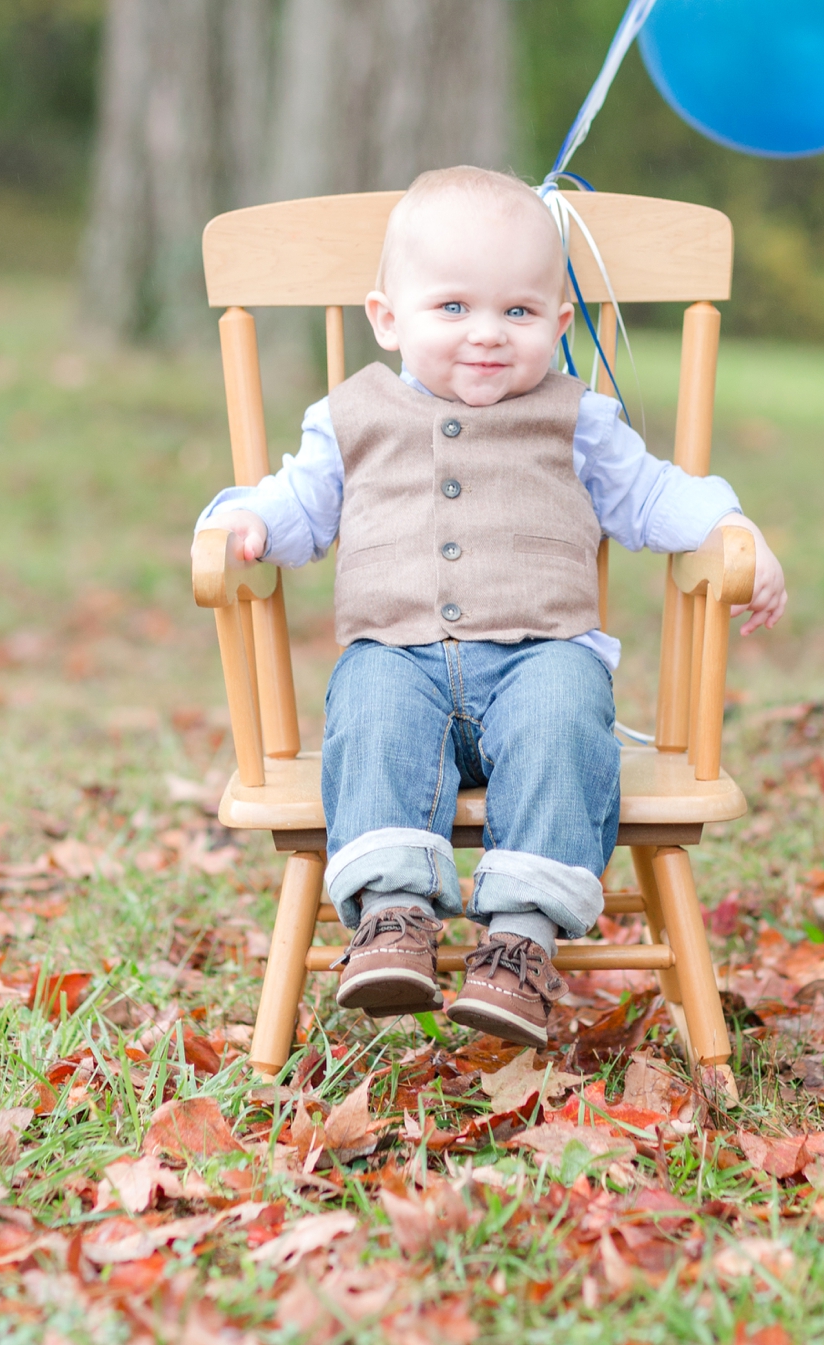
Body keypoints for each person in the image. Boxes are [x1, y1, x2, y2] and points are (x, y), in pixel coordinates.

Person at [194, 166, 786, 1047]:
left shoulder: (577, 417)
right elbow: (295, 505)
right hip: (398, 656)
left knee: (563, 714)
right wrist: (240, 521)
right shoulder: (349, 416)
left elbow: (654, 495)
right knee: (369, 706)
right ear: (389, 319)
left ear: (555, 324)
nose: (486, 336)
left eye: (516, 313)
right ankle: (393, 918)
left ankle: (521, 946)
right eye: (453, 309)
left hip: (541, 656)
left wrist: (732, 526)